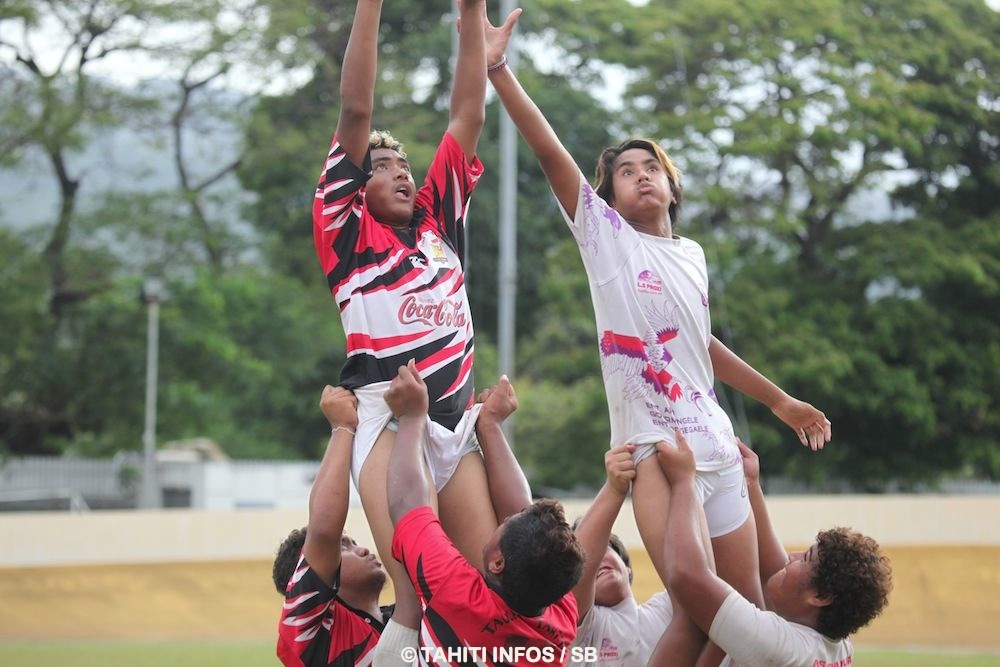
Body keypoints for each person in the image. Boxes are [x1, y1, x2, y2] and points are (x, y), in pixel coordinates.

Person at [484, 8, 831, 665]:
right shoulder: (608, 241)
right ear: (608, 199)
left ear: (672, 188)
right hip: (658, 448)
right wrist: (499, 70)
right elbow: (551, 152)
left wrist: (780, 401)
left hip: (716, 443)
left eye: (652, 166)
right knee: (693, 604)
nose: (642, 174)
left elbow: (701, 346)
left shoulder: (692, 255)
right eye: (626, 170)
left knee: (741, 609)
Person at [312, 0, 498, 633]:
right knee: (417, 591)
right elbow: (356, 111)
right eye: (381, 167)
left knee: (484, 583)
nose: (399, 174)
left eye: (404, 167)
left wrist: (471, 14)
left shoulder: (437, 221)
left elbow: (467, 114)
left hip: (453, 425)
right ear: (352, 185)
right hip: (388, 420)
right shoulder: (346, 232)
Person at [385, 361, 584, 667]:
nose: (507, 516)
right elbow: (523, 519)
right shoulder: (556, 606)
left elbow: (407, 504)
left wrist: (411, 418)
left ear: (498, 562)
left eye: (506, 523)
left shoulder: (458, 594)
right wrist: (489, 426)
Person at [650, 433, 892, 667]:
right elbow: (774, 572)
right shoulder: (837, 644)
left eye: (805, 559)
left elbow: (687, 577)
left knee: (693, 622)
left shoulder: (780, 647)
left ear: (819, 597)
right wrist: (752, 485)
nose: (792, 556)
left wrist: (684, 482)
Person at [274, 385, 407, 667]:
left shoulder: (403, 619)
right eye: (345, 547)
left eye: (353, 543)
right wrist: (342, 428)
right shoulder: (310, 633)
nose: (363, 550)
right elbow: (324, 531)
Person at [568, 443, 673, 667]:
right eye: (591, 558)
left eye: (605, 550)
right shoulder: (583, 628)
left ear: (627, 567)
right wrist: (615, 488)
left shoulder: (666, 611)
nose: (597, 562)